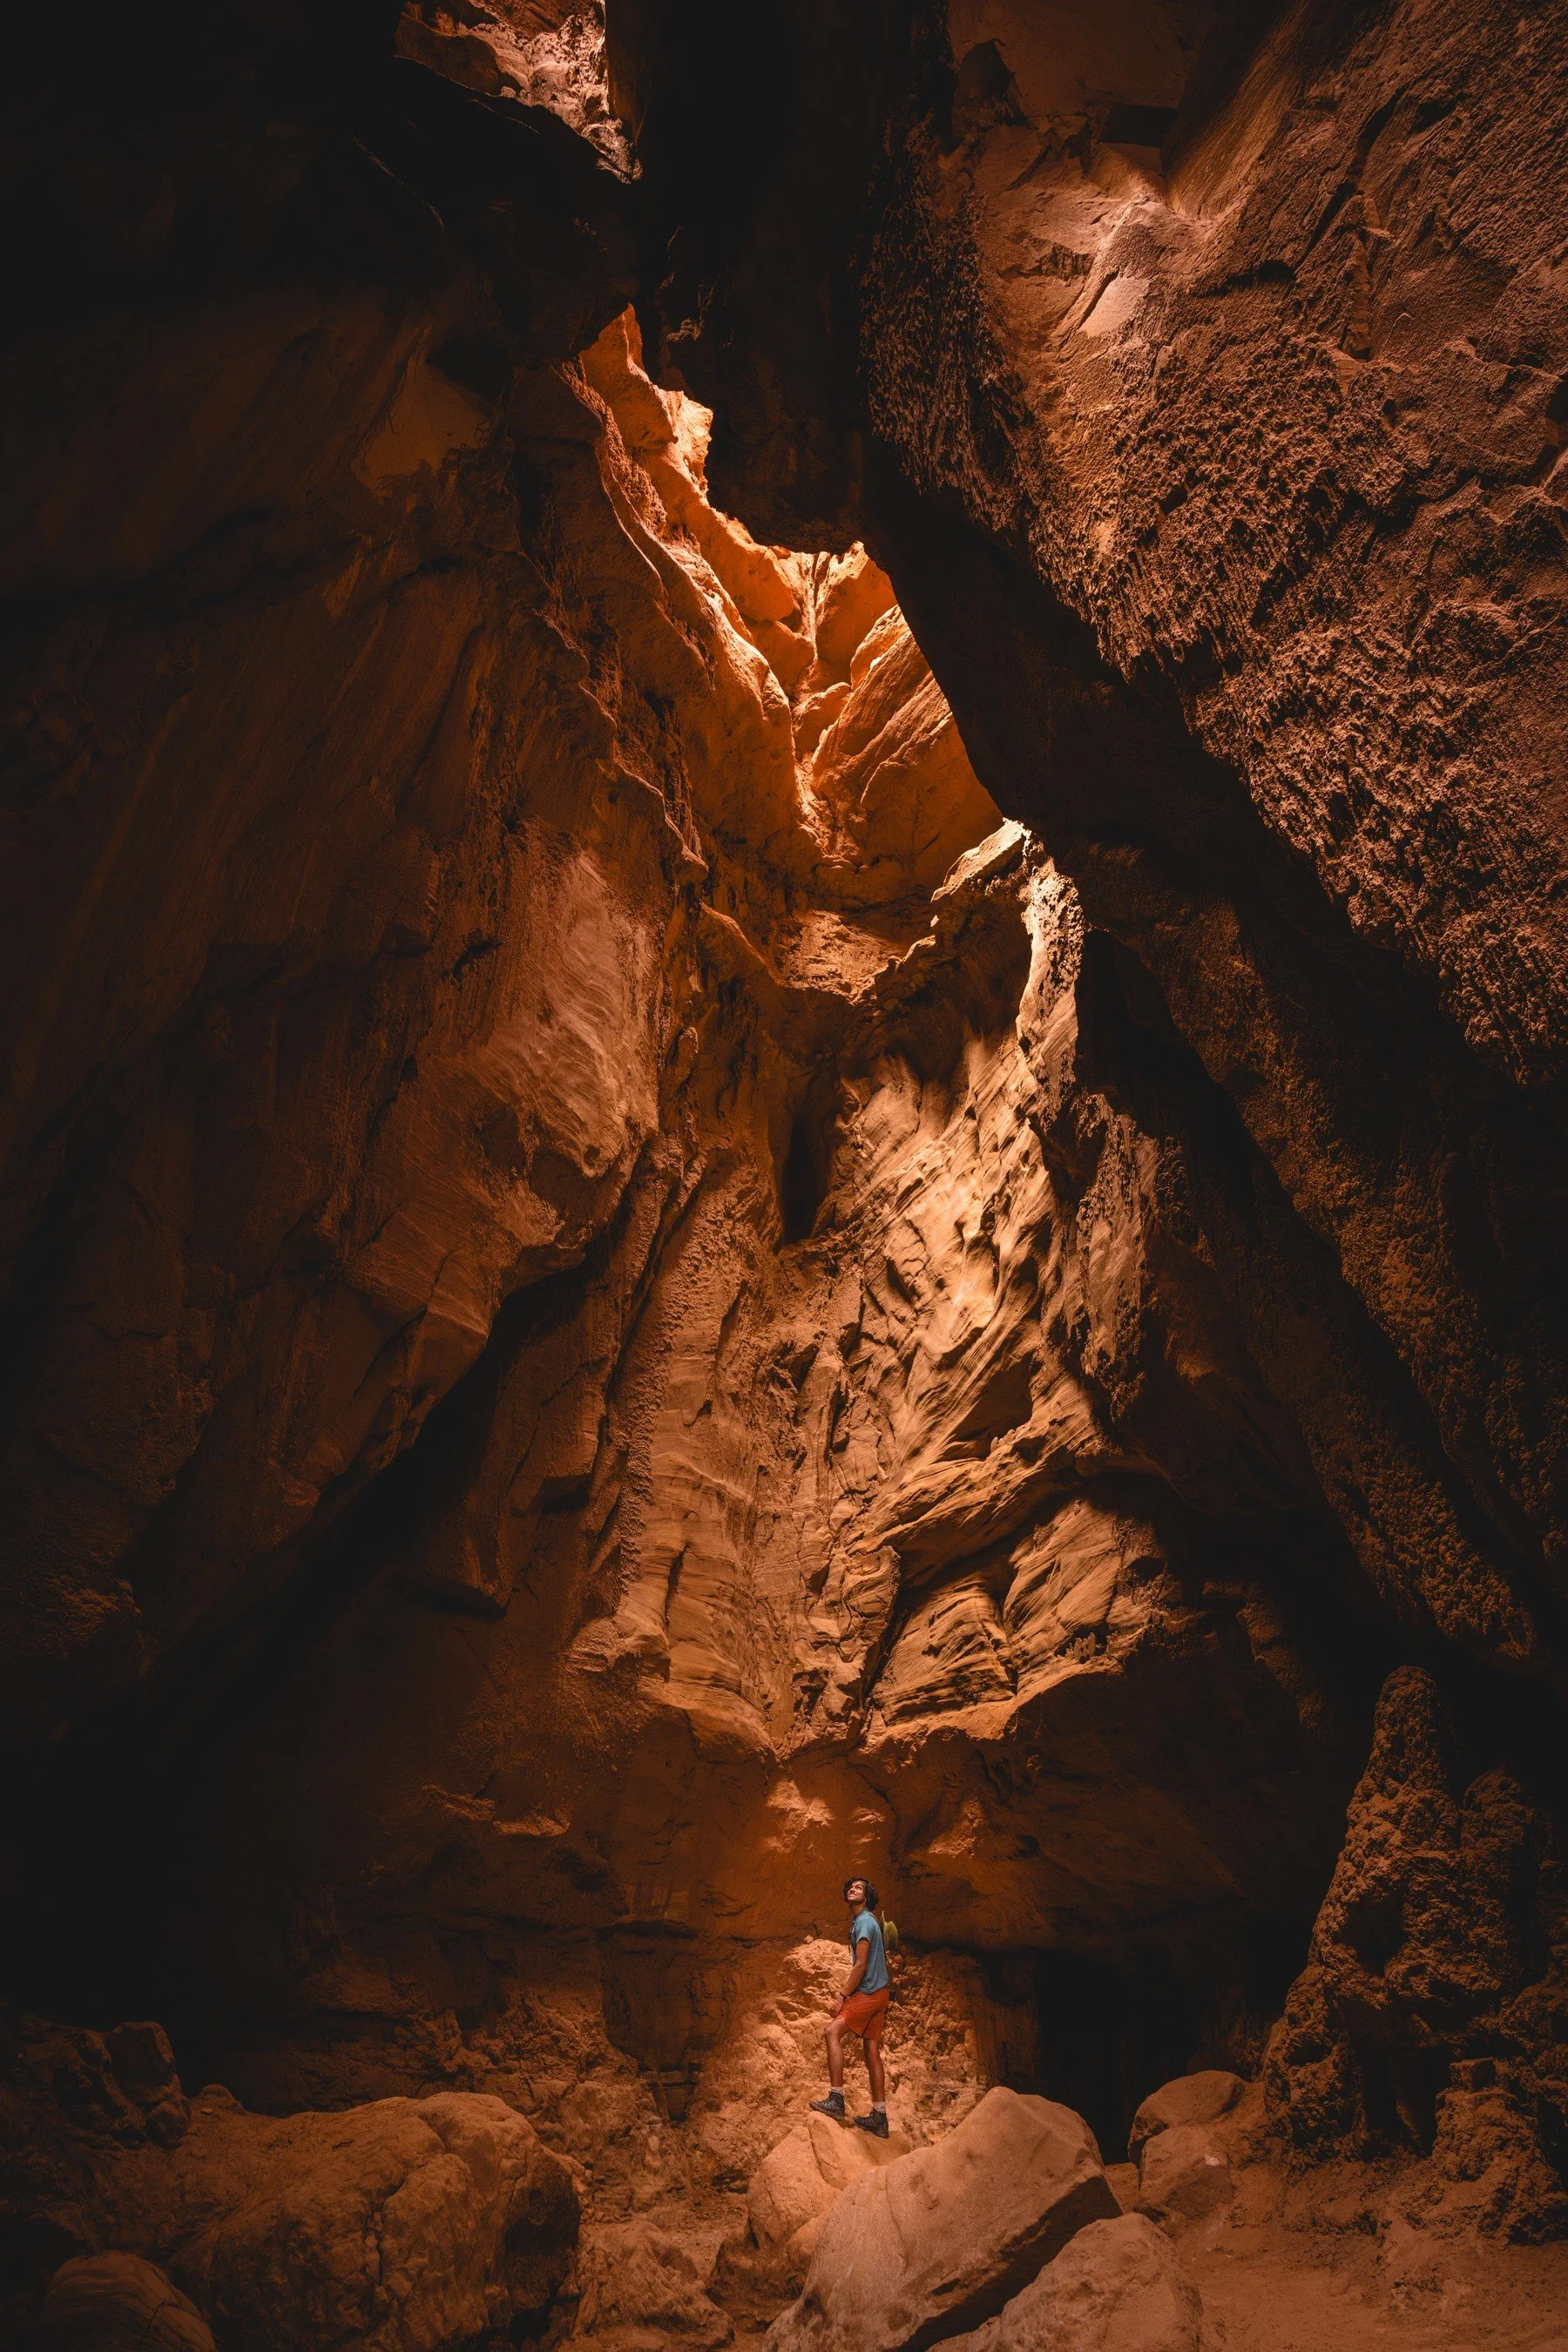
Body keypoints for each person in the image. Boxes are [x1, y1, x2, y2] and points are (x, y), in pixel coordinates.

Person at [810, 1874, 890, 2136]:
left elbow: (861, 1964)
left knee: (832, 2032)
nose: (853, 1890)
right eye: (851, 1887)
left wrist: (842, 1996)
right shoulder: (865, 1921)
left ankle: (836, 2100)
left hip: (868, 1993)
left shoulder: (865, 1921)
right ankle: (880, 2117)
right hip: (881, 1993)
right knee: (871, 2050)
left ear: (866, 1897)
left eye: (859, 1888)